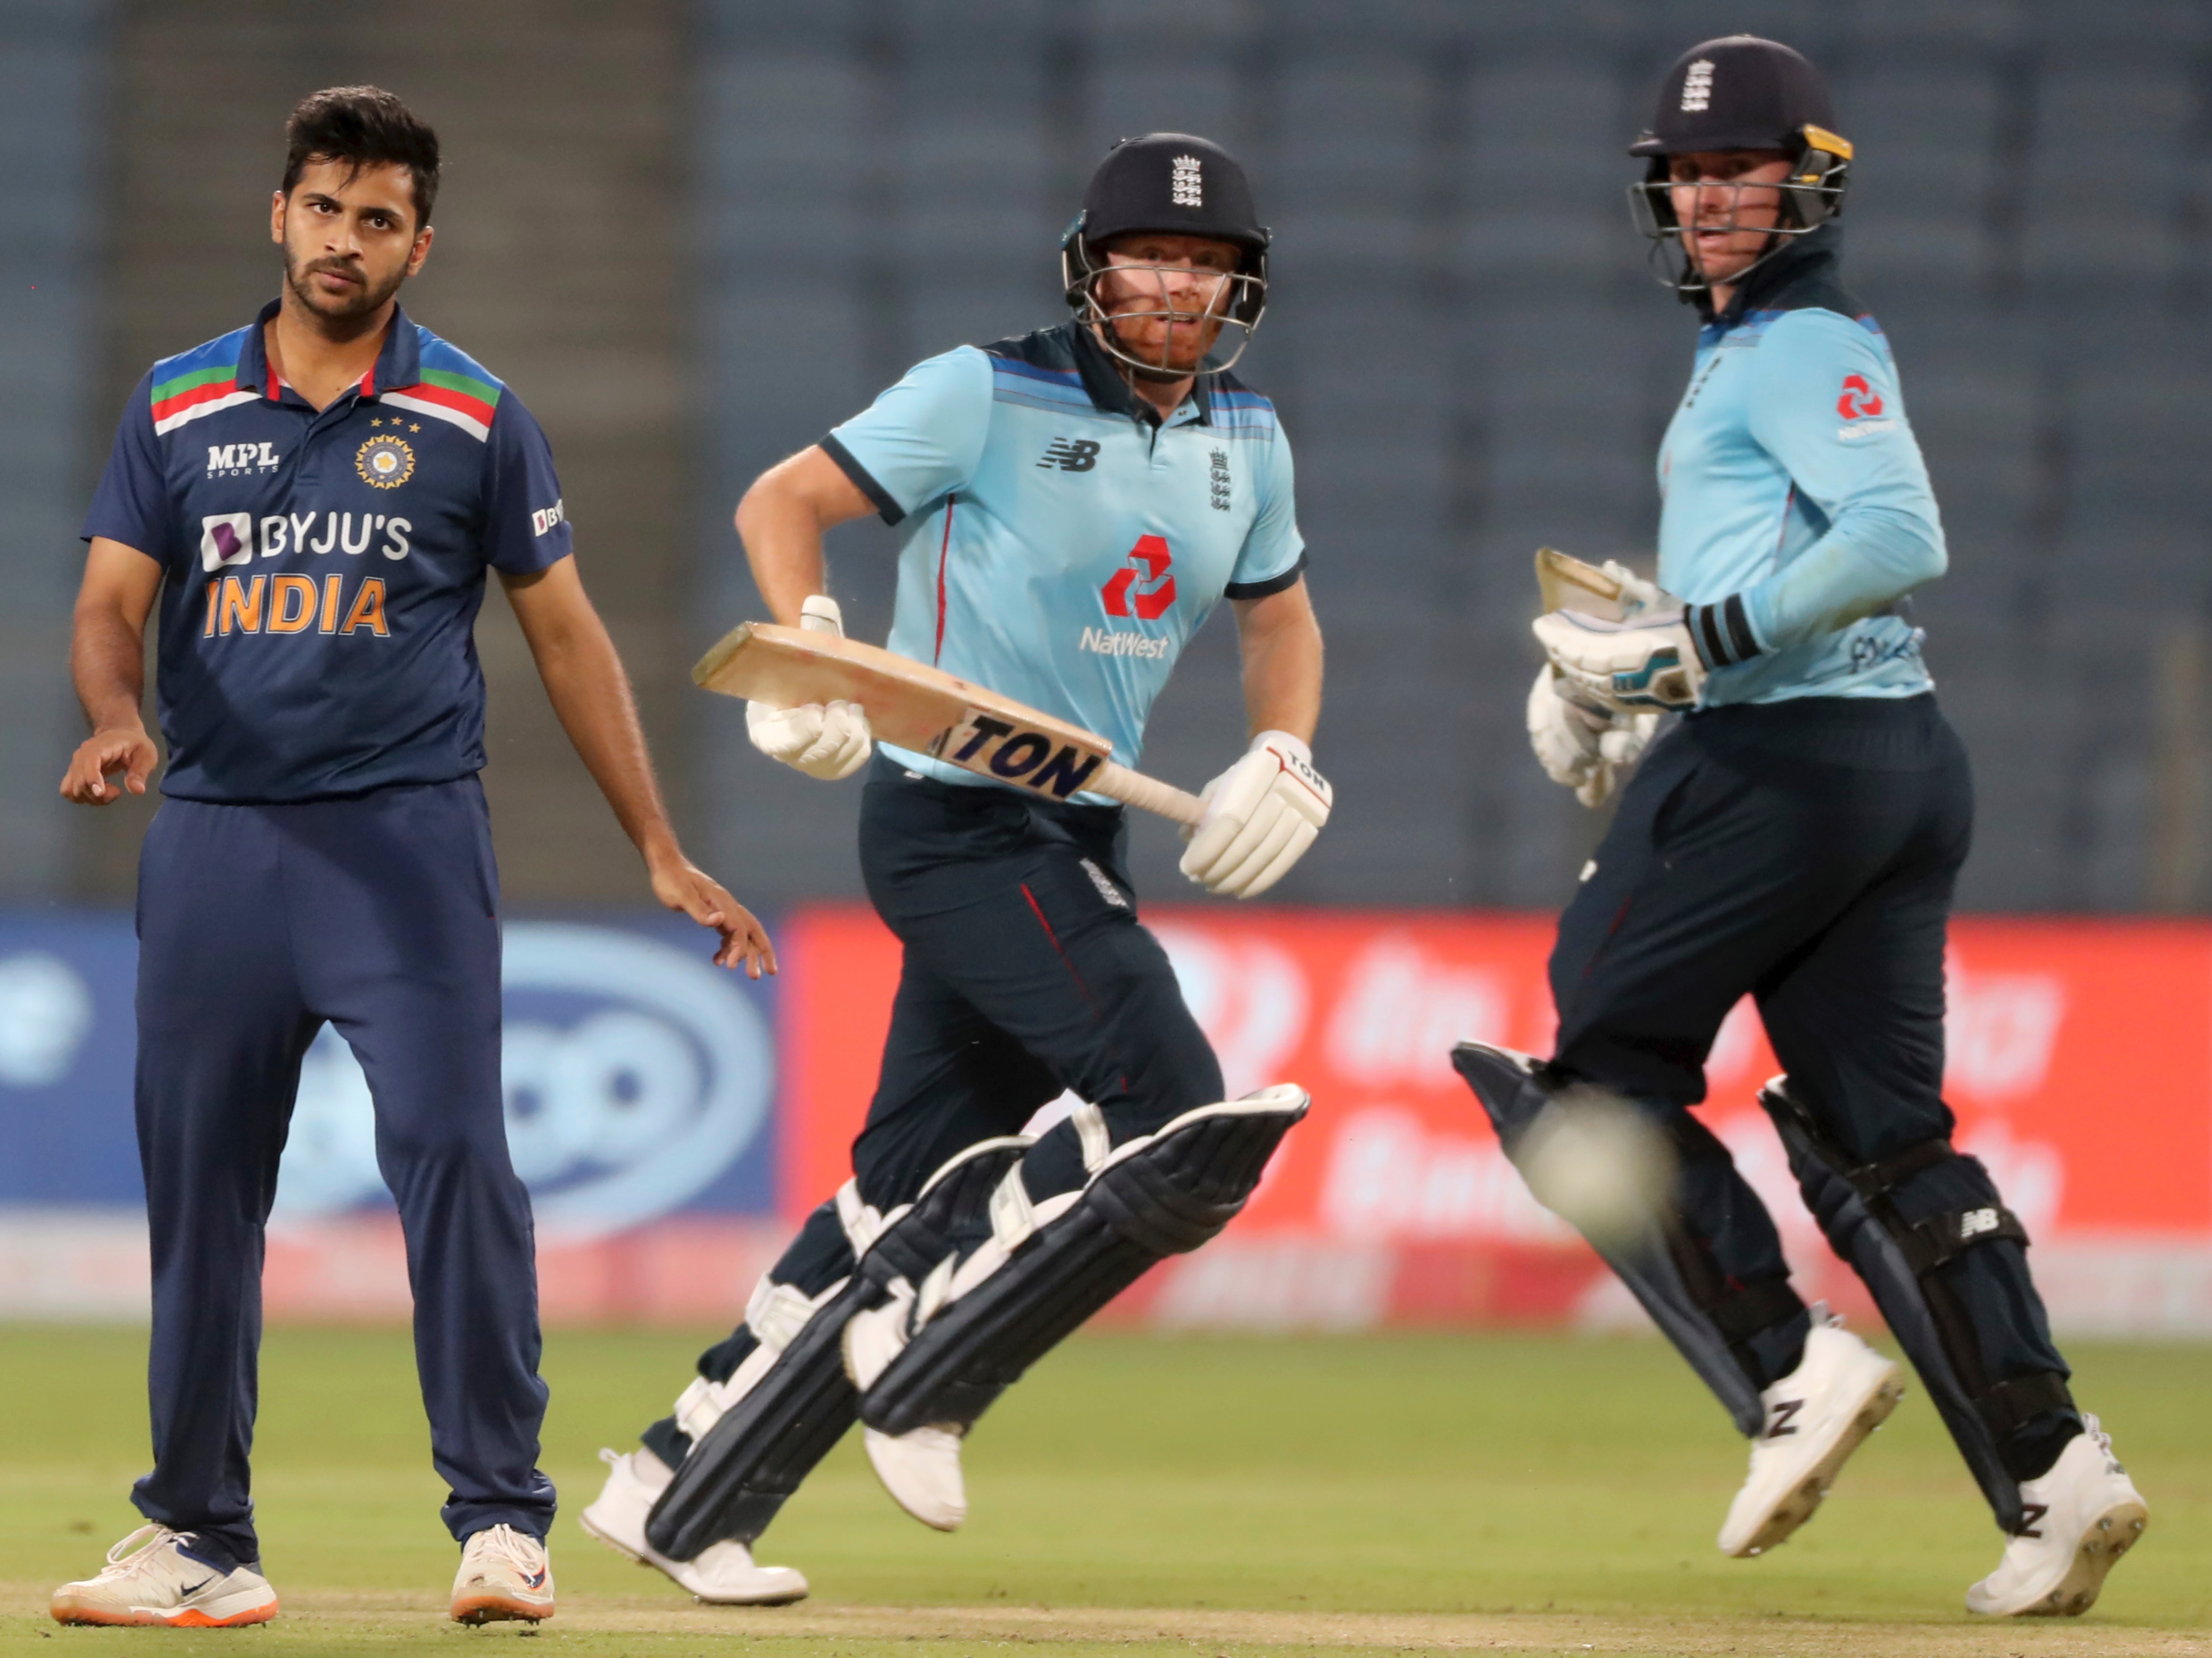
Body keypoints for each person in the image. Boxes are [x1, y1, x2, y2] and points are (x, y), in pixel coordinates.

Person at [49, 86, 773, 1631]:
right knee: (203, 1195)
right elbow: (112, 604)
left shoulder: (473, 414)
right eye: (323, 208)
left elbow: (567, 639)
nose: (344, 240)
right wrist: (117, 716)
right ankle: (197, 1537)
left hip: (402, 847)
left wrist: (659, 845)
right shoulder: (177, 401)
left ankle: (503, 1526)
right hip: (219, 849)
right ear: (280, 217)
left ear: (417, 246)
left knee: (454, 1163)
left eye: (378, 220)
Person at [579, 132, 1327, 1604]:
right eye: (1147, 256)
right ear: (1089, 264)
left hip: (1079, 825)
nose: (1174, 286)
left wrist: (1283, 751)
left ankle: (676, 1486)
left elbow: (1279, 621)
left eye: (1205, 264)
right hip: (952, 823)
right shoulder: (981, 389)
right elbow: (779, 501)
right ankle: (928, 1359)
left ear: (1239, 285)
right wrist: (813, 648)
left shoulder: (1252, 440)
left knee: (901, 1178)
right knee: (1173, 1105)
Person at [1458, 37, 2149, 1618]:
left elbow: (1899, 533)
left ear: (1807, 181)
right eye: (1687, 173)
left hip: (1782, 766)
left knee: (1581, 1085)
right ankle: (2053, 1477)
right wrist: (1647, 648)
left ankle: (1785, 1367)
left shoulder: (1795, 340)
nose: (1707, 196)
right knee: (1883, 1143)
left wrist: (1693, 652)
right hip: (1892, 763)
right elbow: (1785, 563)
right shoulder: (1758, 346)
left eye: (1739, 169)